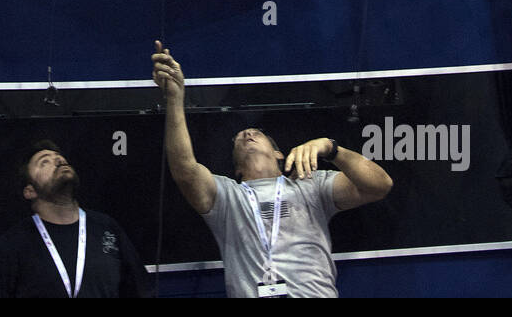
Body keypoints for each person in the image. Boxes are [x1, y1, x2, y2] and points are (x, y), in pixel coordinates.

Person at [152, 41, 393, 298]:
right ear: (236, 167)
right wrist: (174, 97)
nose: (247, 133)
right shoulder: (227, 197)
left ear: (279, 153)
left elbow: (380, 185)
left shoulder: (310, 184)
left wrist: (331, 149)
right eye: (239, 138)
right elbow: (185, 170)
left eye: (256, 133)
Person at [0, 139, 150, 297]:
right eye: (45, 162)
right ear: (30, 191)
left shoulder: (106, 228)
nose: (58, 161)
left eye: (60, 158)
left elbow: (142, 291)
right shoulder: (13, 245)